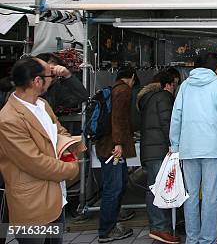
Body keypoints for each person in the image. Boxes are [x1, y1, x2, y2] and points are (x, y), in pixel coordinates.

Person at [0, 57, 85, 244]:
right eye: (50, 74)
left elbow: (59, 132)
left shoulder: (42, 105)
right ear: (37, 81)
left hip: (56, 198)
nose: (53, 77)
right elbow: (34, 162)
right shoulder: (9, 119)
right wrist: (71, 168)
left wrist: (69, 149)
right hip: (32, 204)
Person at [170, 53, 217, 244]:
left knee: (190, 195)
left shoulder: (185, 86)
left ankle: (192, 239)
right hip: (213, 148)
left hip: (189, 147)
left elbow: (176, 116)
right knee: (210, 196)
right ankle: (208, 239)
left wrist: (175, 144)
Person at [96, 66, 137, 243]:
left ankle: (113, 220)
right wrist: (119, 143)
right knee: (114, 187)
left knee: (117, 184)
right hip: (113, 149)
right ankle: (107, 230)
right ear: (133, 77)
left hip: (107, 145)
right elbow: (118, 118)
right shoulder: (124, 91)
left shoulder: (112, 89)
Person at [139, 70, 179, 244]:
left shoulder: (148, 98)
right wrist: (174, 144)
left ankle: (161, 226)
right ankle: (160, 228)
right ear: (168, 84)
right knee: (158, 189)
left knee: (155, 188)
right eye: (175, 84)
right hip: (159, 150)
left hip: (150, 150)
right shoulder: (163, 97)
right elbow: (168, 123)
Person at [36, 53, 88, 117]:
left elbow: (82, 96)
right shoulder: (25, 82)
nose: (50, 79)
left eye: (53, 74)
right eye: (48, 73)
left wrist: (67, 75)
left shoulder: (56, 89)